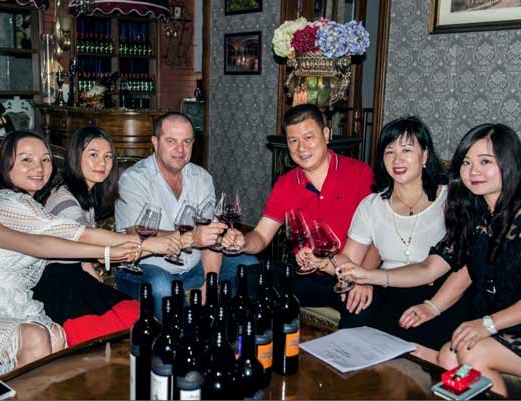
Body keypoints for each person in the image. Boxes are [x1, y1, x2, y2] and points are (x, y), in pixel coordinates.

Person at [0, 129, 181, 376]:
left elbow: (56, 240)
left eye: (45, 160)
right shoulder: (7, 202)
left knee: (56, 337)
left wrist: (116, 250)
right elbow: (73, 235)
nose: (38, 167)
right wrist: (143, 245)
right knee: (39, 337)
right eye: (26, 159)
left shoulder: (34, 205)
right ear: (7, 164)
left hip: (14, 299)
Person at [337, 123, 521, 396]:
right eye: (467, 162)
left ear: (509, 162)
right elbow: (442, 267)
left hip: (505, 322)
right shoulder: (476, 214)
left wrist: (487, 324)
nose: (473, 171)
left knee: (471, 351)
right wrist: (431, 306)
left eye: (485, 161)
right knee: (446, 356)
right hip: (497, 320)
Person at [296, 116, 471, 350]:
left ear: (425, 155)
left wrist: (368, 276)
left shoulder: (450, 200)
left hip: (439, 293)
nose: (397, 160)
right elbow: (350, 260)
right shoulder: (372, 205)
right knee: (355, 327)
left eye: (406, 150)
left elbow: (449, 266)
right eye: (389, 152)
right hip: (389, 292)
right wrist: (323, 261)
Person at [222, 103, 376, 326]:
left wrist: (366, 276)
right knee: (250, 277)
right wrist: (243, 242)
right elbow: (262, 236)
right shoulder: (286, 183)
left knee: (361, 311)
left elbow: (379, 236)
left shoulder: (359, 173)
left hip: (349, 274)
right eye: (293, 140)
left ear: (326, 134)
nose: (301, 147)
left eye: (308, 137)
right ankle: (257, 343)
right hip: (305, 275)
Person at [115, 112, 258, 317]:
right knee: (163, 286)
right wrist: (191, 238)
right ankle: (179, 336)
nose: (180, 149)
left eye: (187, 141)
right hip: (144, 267)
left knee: (248, 265)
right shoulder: (134, 179)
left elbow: (209, 237)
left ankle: (229, 328)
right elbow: (137, 234)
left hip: (194, 267)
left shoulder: (201, 178)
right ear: (155, 142)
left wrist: (210, 281)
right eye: (171, 141)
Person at [32, 127, 148, 345]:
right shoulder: (63, 198)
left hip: (75, 277)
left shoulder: (85, 196)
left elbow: (81, 254)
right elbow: (87, 238)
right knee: (115, 331)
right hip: (57, 286)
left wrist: (95, 278)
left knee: (138, 316)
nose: (102, 163)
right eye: (93, 154)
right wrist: (147, 244)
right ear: (76, 157)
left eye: (108, 156)